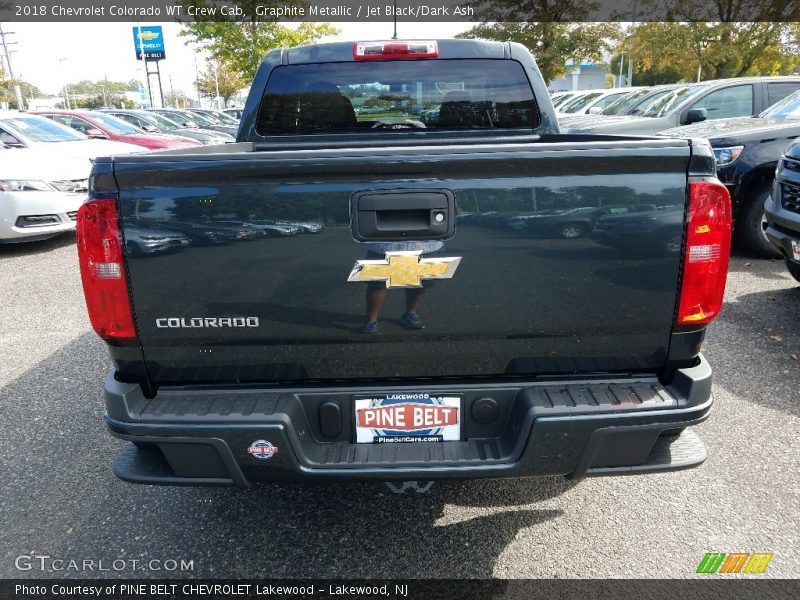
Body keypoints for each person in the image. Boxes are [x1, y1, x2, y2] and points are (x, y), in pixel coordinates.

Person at [361, 240, 444, 334]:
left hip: (424, 244)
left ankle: (411, 313)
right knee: (377, 284)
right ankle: (371, 320)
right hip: (383, 244)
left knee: (418, 282)